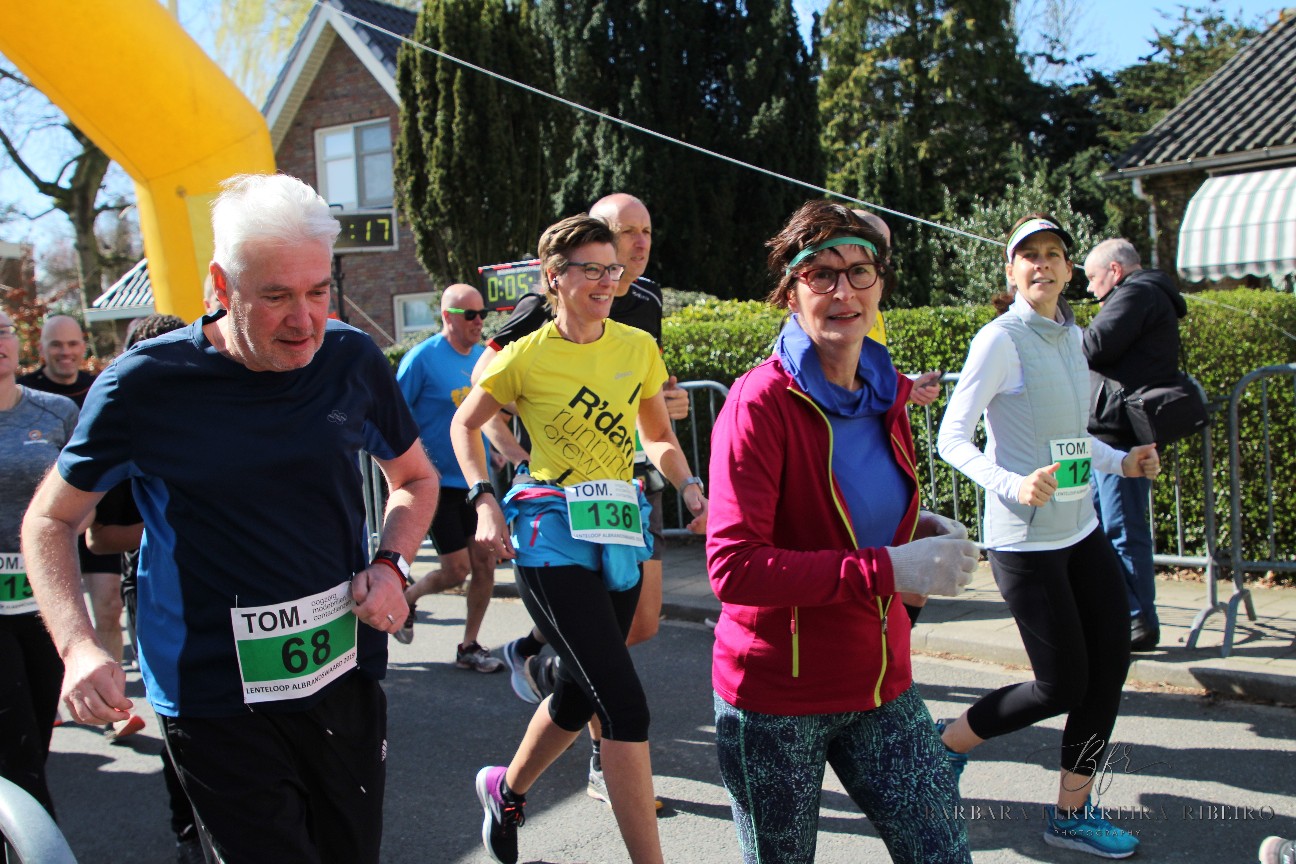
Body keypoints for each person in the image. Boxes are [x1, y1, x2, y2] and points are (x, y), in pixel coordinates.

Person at [21, 172, 439, 864]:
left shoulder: (351, 360)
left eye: (317, 292)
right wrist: (79, 645)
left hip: (340, 671)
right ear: (221, 285)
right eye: (275, 297)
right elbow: (49, 520)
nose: (304, 320)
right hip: (213, 691)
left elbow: (415, 478)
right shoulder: (143, 385)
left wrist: (392, 565)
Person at [705, 200, 976, 864]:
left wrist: (920, 530)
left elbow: (860, 514)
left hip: (882, 682)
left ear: (880, 285)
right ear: (790, 291)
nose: (842, 291)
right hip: (777, 698)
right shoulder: (758, 402)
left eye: (859, 272)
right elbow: (734, 567)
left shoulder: (887, 391)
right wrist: (892, 568)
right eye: (820, 274)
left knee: (943, 854)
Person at [453, 214, 707, 864]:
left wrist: (688, 485)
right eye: (590, 269)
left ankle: (505, 791)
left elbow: (656, 434)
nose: (605, 281)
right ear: (553, 277)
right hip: (550, 534)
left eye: (611, 269)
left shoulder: (636, 346)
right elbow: (465, 424)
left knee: (576, 694)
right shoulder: (525, 354)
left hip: (617, 529)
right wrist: (484, 499)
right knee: (623, 705)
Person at [936, 213, 1161, 859]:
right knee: (1061, 684)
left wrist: (1121, 463)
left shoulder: (1072, 336)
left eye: (1054, 253)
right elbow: (952, 437)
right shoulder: (1000, 340)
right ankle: (944, 746)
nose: (1042, 264)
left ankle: (1071, 813)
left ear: (1069, 270)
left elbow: (1071, 438)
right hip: (1024, 541)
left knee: (1108, 671)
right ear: (1011, 271)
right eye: (1029, 254)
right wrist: (1010, 484)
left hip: (1080, 529)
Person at [83, 313, 203, 864]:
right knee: (181, 714)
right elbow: (97, 537)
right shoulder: (122, 429)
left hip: (226, 585)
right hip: (153, 586)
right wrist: (175, 524)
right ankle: (188, 833)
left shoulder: (213, 417)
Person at [18, 315, 139, 736]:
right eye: (56, 345)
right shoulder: (26, 393)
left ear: (83, 346)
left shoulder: (100, 385)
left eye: (72, 344)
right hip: (45, 522)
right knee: (47, 617)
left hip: (96, 514)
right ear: (41, 349)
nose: (65, 352)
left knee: (108, 604)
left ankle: (114, 706)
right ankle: (53, 692)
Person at [1082, 238, 1189, 652]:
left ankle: (1137, 619)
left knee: (1121, 529)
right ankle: (1121, 614)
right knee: (1098, 527)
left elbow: (1093, 345)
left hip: (1120, 436)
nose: (1089, 288)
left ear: (1115, 270)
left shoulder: (1136, 294)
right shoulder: (1144, 293)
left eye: (1092, 277)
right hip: (1113, 433)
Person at [393, 283, 504, 672]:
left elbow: (485, 416)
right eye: (470, 315)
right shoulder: (422, 359)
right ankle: (408, 597)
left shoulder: (482, 359)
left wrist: (496, 450)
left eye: (482, 314)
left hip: (475, 482)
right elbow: (393, 416)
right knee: (456, 570)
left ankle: (469, 645)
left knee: (485, 565)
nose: (479, 322)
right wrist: (410, 466)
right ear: (447, 317)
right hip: (437, 485)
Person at [0, 309, 78, 817]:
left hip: (42, 594)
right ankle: (37, 841)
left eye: (2, 331)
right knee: (17, 742)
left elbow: (85, 488)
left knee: (37, 727)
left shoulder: (54, 412)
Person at [853, 209, 942, 408]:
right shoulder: (834, 313)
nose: (887, 260)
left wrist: (909, 389)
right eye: (883, 250)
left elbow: (877, 376)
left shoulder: (874, 313)